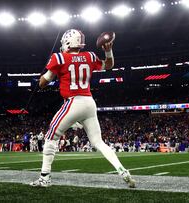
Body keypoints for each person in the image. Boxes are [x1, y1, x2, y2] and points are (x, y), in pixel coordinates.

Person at [30, 29, 135, 188]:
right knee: (99, 142)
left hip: (73, 102)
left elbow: (43, 83)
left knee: (51, 136)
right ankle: (122, 171)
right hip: (89, 102)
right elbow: (109, 65)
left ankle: (44, 178)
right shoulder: (90, 56)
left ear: (67, 42)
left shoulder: (59, 57)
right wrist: (108, 51)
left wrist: (44, 74)